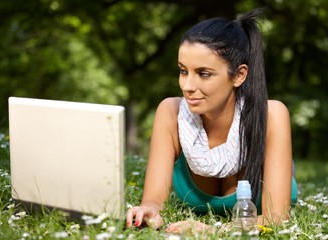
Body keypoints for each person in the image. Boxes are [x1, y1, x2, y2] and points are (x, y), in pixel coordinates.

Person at [126, 8, 297, 234]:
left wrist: (212, 229)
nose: (187, 86)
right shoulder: (170, 113)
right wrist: (148, 211)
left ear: (239, 75)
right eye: (183, 71)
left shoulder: (272, 115)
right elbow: (154, 202)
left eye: (204, 73)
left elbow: (276, 218)